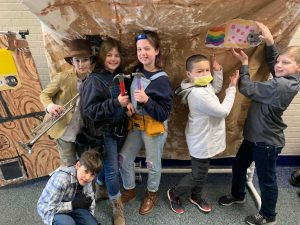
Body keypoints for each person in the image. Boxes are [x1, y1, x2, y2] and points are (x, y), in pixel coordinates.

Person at [218, 22, 300, 225]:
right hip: (255, 136)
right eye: (280, 61)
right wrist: (271, 43)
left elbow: (246, 88)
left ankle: (268, 215)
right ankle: (238, 195)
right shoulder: (289, 78)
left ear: (298, 68)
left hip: (266, 142)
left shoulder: (281, 85)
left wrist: (244, 64)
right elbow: (275, 65)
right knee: (239, 165)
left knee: (267, 180)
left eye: (286, 63)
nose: (279, 65)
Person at [167, 54, 238, 214]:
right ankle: (174, 193)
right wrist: (232, 88)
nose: (205, 74)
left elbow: (215, 88)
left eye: (207, 70)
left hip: (206, 137)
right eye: (200, 71)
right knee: (199, 174)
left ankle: (196, 195)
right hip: (201, 140)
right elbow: (223, 111)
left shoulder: (202, 86)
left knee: (202, 172)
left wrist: (218, 71)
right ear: (189, 75)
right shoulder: (198, 94)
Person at [119, 30, 173, 215]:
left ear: (156, 50)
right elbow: (130, 98)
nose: (142, 53)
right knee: (123, 159)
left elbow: (164, 113)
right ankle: (130, 189)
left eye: (147, 49)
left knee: (152, 164)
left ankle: (151, 194)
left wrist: (147, 101)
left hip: (154, 127)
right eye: (139, 49)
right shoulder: (136, 72)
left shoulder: (162, 80)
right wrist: (129, 107)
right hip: (136, 124)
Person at [80, 38, 129, 225]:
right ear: (102, 56)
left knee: (107, 165)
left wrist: (127, 106)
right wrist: (115, 103)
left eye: (117, 55)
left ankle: (100, 189)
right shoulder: (94, 79)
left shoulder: (120, 75)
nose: (113, 59)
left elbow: (122, 99)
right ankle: (118, 209)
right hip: (104, 131)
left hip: (120, 129)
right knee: (112, 170)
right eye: (109, 55)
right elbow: (90, 110)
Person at [40, 39, 95, 166]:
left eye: (85, 60)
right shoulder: (62, 77)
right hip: (63, 130)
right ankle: (71, 185)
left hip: (82, 130)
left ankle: (85, 186)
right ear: (72, 61)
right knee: (69, 165)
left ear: (90, 60)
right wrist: (50, 106)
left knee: (85, 164)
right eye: (77, 60)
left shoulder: (93, 79)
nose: (81, 64)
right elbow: (44, 94)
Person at [37, 150, 102, 225]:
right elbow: (51, 208)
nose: (88, 177)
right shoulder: (61, 179)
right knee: (68, 223)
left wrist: (89, 219)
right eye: (86, 171)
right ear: (78, 165)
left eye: (92, 175)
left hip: (72, 202)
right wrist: (73, 205)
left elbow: (91, 202)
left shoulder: (86, 179)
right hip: (49, 208)